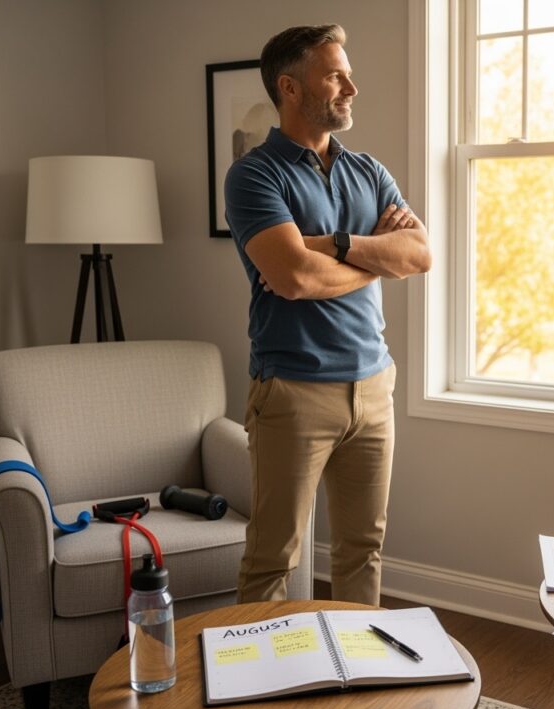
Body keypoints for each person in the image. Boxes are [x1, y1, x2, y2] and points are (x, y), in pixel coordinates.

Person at [224, 23, 431, 607]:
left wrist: (332, 244)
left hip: (372, 386)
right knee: (274, 557)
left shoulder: (369, 170)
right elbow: (291, 277)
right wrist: (375, 256)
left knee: (363, 548)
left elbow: (419, 254)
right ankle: (258, 690)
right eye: (336, 75)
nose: (352, 87)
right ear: (290, 88)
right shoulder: (254, 174)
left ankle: (353, 685)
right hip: (291, 390)